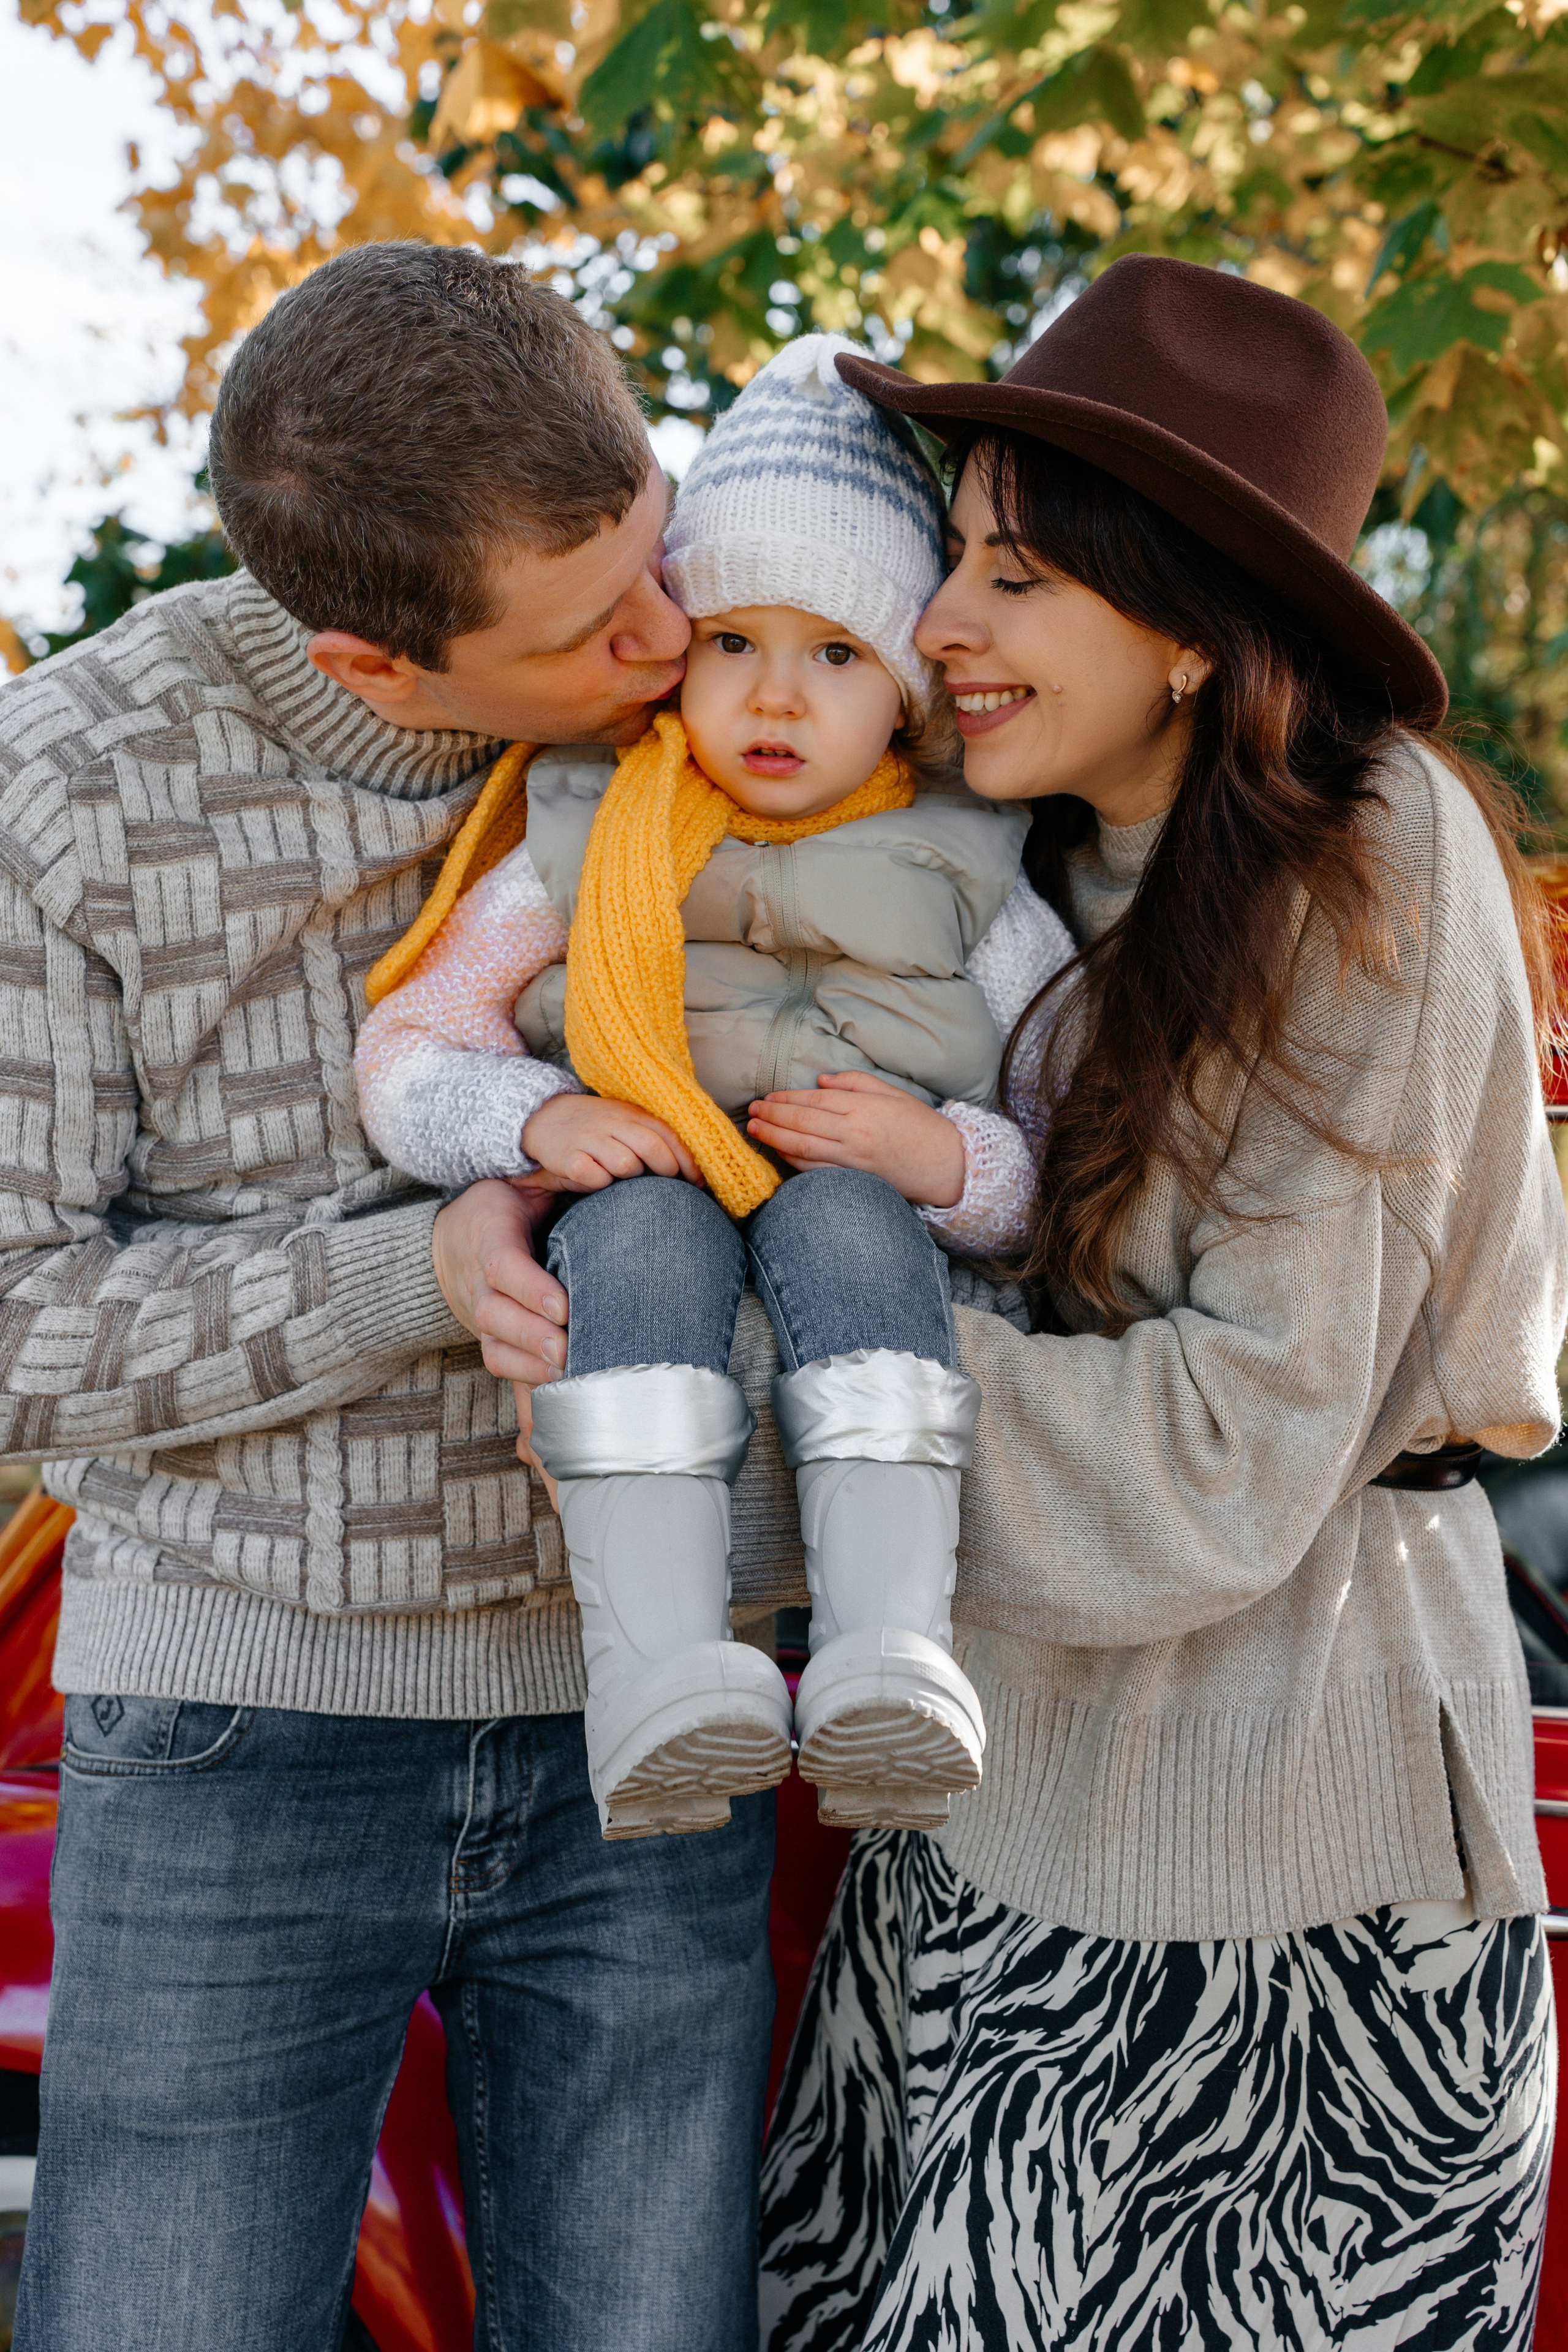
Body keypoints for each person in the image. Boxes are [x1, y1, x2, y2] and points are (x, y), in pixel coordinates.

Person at [747, 256, 1568, 2348]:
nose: (942, 628)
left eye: (1014, 577)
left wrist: (806, 1382)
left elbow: (1221, 1461)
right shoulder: (1016, 868)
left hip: (1283, 1869)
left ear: (1195, 625)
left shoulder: (1367, 861)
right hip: (994, 1821)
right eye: (952, 562)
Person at [2, 241, 785, 2352]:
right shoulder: (61, 793)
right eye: (592, 626)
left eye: (653, 542)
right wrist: (412, 1272)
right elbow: (13, 1326)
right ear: (384, 667)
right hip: (246, 1728)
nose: (675, 632)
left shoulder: (764, 659)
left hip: (661, 1713)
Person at [353, 336, 1075, 1842]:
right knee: (638, 1237)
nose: (773, 696)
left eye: (832, 655)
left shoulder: (977, 876)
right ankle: (655, 1666)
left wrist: (941, 1158)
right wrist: (530, 1120)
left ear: (905, 693)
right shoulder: (582, 835)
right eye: (731, 641)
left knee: (850, 1230)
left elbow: (1066, 1157)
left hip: (858, 1216)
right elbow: (409, 1051)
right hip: (643, 1204)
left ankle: (892, 1651)